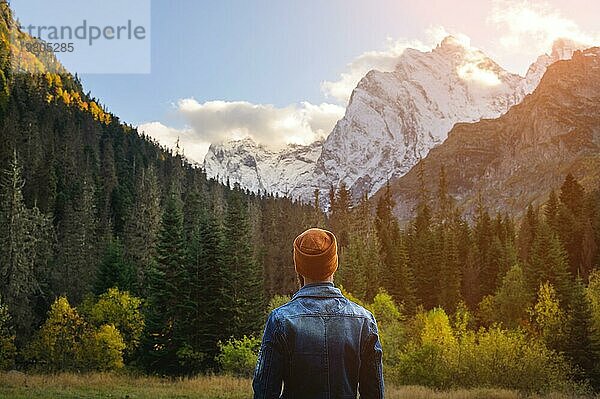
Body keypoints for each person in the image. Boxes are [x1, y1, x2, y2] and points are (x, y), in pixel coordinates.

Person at [252, 228, 384, 399]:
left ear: (299, 268)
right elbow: (375, 394)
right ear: (333, 265)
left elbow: (264, 392)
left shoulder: (280, 320)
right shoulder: (364, 321)